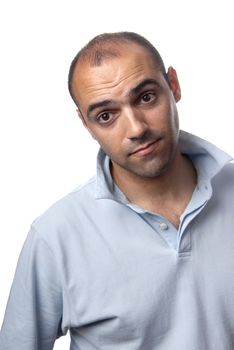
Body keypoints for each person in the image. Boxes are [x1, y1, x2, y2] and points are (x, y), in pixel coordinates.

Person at [0, 31, 234, 350]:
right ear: (86, 124)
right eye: (106, 116)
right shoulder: (55, 236)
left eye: (146, 97)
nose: (137, 128)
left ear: (173, 86)